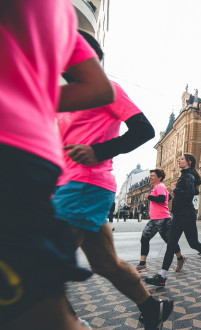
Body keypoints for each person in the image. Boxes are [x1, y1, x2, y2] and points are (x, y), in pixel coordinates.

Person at [0, 2, 115, 328]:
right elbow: (96, 86)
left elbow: (106, 93)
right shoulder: (59, 12)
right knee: (37, 288)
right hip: (36, 157)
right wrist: (28, 95)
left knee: (33, 292)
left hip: (21, 156)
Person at [50, 31, 175, 329]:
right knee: (106, 263)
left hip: (85, 185)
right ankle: (151, 308)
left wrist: (98, 150)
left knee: (43, 265)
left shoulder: (108, 90)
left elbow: (143, 130)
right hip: (70, 187)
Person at [145, 154, 201, 287]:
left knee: (194, 243)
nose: (179, 160)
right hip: (178, 215)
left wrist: (176, 189)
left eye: (182, 159)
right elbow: (194, 192)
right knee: (171, 244)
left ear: (189, 162)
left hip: (187, 215)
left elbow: (189, 194)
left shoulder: (188, 176)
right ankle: (162, 276)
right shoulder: (186, 175)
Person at [136, 169, 187, 273]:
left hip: (163, 219)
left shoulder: (160, 186)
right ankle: (142, 264)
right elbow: (169, 198)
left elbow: (162, 199)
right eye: (150, 175)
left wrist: (149, 196)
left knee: (169, 241)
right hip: (154, 219)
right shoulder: (158, 187)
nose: (150, 177)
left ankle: (180, 258)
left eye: (153, 176)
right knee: (144, 238)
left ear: (159, 177)